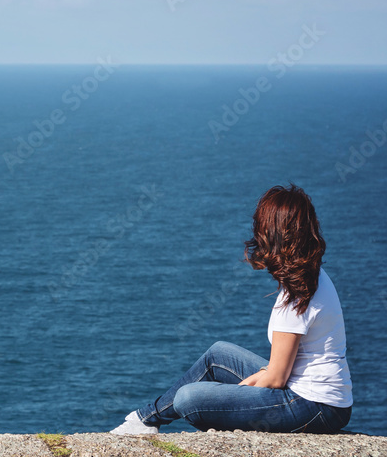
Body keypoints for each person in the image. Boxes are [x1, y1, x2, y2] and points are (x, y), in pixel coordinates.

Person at [111, 184, 353, 435]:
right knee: (218, 353)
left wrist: (242, 391)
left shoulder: (296, 296)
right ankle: (147, 418)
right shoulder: (312, 276)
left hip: (314, 406)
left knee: (188, 399)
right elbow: (281, 368)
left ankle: (149, 419)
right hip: (320, 399)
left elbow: (277, 378)